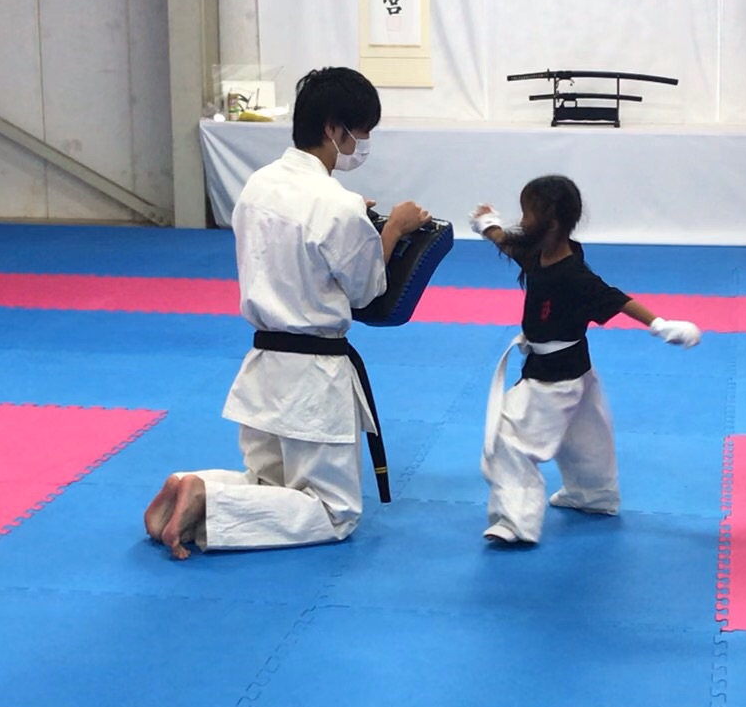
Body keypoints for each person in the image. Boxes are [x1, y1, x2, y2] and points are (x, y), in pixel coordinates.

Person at [144, 67, 430, 559]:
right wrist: (390, 231)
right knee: (335, 512)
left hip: (262, 370)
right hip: (313, 378)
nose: (362, 144)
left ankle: (196, 486)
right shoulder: (338, 206)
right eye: (361, 133)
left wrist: (356, 223)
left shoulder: (258, 186)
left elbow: (297, 247)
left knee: (268, 484)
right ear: (333, 129)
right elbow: (366, 292)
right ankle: (208, 497)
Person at [469, 176, 702, 544]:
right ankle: (592, 496)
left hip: (551, 381)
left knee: (507, 441)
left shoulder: (573, 275)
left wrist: (660, 325)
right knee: (585, 438)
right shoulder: (541, 252)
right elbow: (510, 244)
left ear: (551, 223)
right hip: (577, 372)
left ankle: (515, 521)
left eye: (527, 214)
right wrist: (488, 225)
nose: (522, 220)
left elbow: (616, 299)